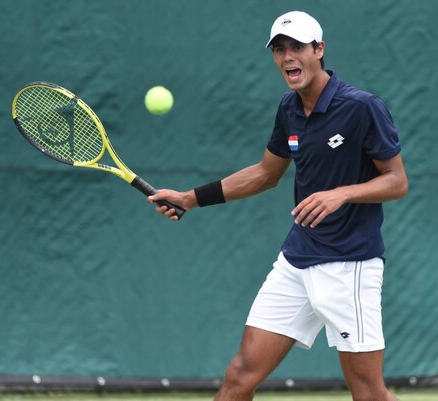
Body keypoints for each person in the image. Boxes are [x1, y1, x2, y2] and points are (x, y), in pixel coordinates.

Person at [148, 10, 407, 401]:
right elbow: (266, 174)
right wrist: (190, 198)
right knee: (239, 378)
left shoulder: (362, 107)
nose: (288, 57)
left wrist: (341, 193)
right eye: (280, 49)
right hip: (297, 260)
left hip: (350, 263)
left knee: (368, 392)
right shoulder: (288, 110)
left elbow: (397, 181)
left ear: (319, 50)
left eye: (298, 47)